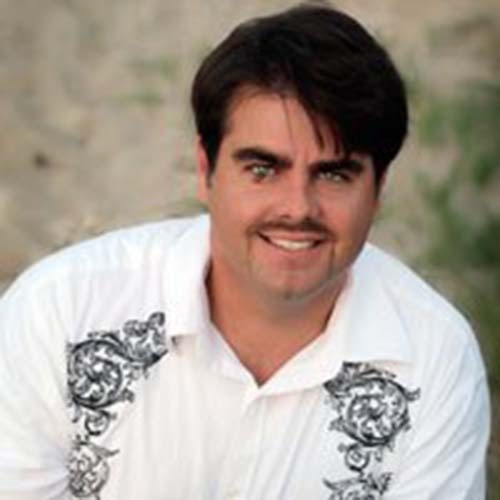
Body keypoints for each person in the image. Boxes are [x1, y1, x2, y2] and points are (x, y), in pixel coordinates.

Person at [0, 4, 490, 500]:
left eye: (334, 174)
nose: (297, 207)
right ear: (205, 169)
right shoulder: (59, 314)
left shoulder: (434, 360)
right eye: (262, 169)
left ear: (379, 188)